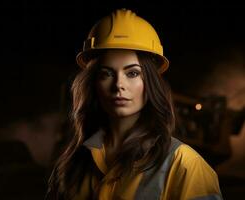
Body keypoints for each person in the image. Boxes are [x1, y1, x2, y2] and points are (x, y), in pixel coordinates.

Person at [45, 9, 223, 200]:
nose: (119, 85)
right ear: (93, 84)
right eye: (106, 74)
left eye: (133, 73)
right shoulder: (70, 167)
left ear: (150, 82)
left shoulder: (185, 166)